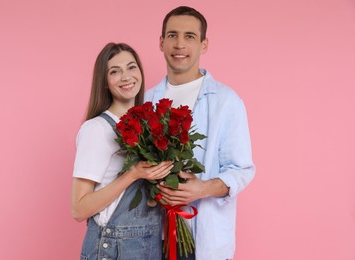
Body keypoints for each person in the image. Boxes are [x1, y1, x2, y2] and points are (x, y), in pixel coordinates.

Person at [145, 6, 256, 260]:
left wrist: (201, 189)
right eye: (172, 35)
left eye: (190, 36)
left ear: (204, 45)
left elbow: (241, 170)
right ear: (161, 43)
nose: (179, 44)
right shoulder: (146, 100)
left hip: (204, 240)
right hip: (151, 237)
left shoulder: (226, 101)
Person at [71, 42, 173, 260]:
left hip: (148, 246)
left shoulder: (149, 126)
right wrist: (133, 174)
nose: (126, 77)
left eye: (131, 67)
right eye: (115, 72)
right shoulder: (96, 130)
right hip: (114, 249)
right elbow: (78, 209)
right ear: (105, 82)